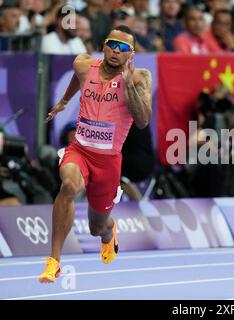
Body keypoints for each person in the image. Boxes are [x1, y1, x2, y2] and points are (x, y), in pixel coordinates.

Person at [38, 25, 152, 283]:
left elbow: (143, 120)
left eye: (123, 48)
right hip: (79, 150)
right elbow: (77, 80)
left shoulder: (139, 78)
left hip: (108, 161)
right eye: (112, 44)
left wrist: (128, 82)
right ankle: (54, 261)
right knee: (68, 185)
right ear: (103, 45)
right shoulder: (82, 64)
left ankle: (108, 231)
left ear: (131, 55)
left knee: (95, 226)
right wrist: (65, 101)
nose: (116, 50)